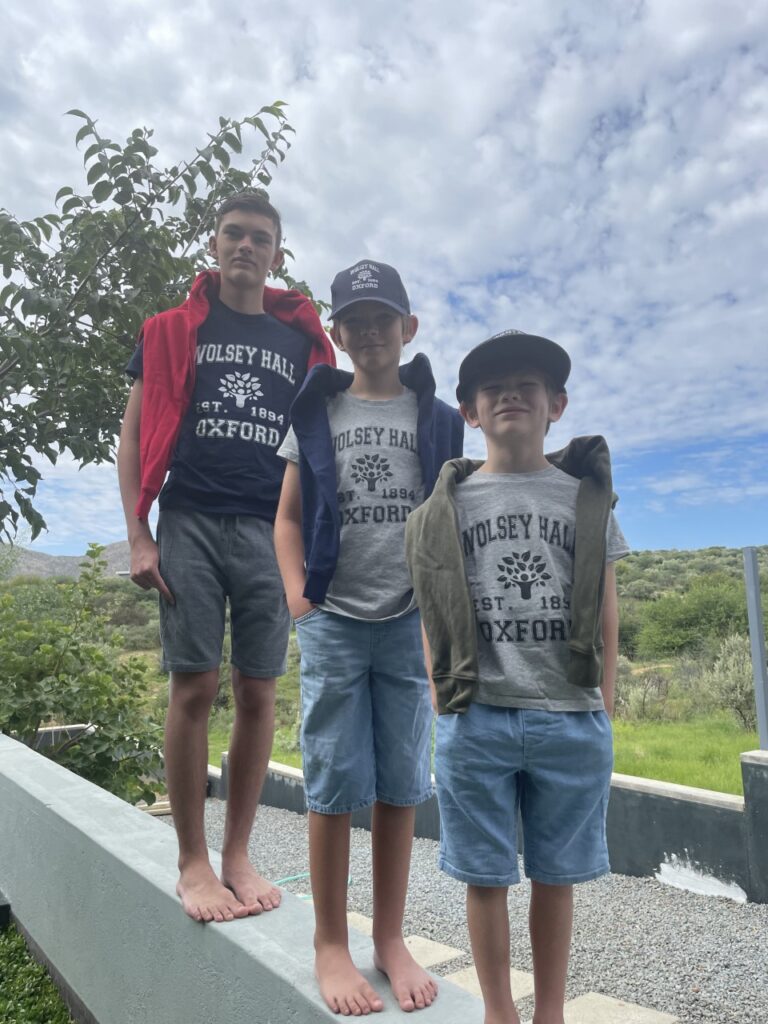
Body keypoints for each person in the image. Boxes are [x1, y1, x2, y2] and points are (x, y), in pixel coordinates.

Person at [117, 191, 335, 924]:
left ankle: (237, 853)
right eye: (233, 234)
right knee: (194, 686)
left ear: (277, 253)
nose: (245, 246)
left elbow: (321, 442)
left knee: (258, 691)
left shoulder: (300, 342)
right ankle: (193, 861)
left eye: (260, 238)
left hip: (271, 530)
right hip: (190, 520)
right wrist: (139, 534)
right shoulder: (170, 330)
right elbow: (133, 435)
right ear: (213, 244)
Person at [405, 330, 629, 1024]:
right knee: (485, 877)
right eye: (492, 388)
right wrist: (442, 695)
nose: (510, 395)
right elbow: (432, 604)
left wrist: (603, 705)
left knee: (557, 877)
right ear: (470, 412)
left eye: (527, 384)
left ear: (556, 404)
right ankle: (499, 1012)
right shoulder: (444, 508)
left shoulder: (587, 499)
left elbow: (607, 606)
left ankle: (550, 1012)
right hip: (477, 719)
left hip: (571, 717)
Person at [274, 259, 463, 1016]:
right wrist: (300, 601)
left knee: (400, 783)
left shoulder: (438, 418)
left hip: (409, 622)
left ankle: (389, 937)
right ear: (339, 334)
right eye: (355, 320)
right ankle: (330, 943)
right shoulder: (317, 413)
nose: (371, 330)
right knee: (331, 780)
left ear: (408, 327)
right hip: (334, 621)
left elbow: (454, 521)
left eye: (384, 317)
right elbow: (288, 518)